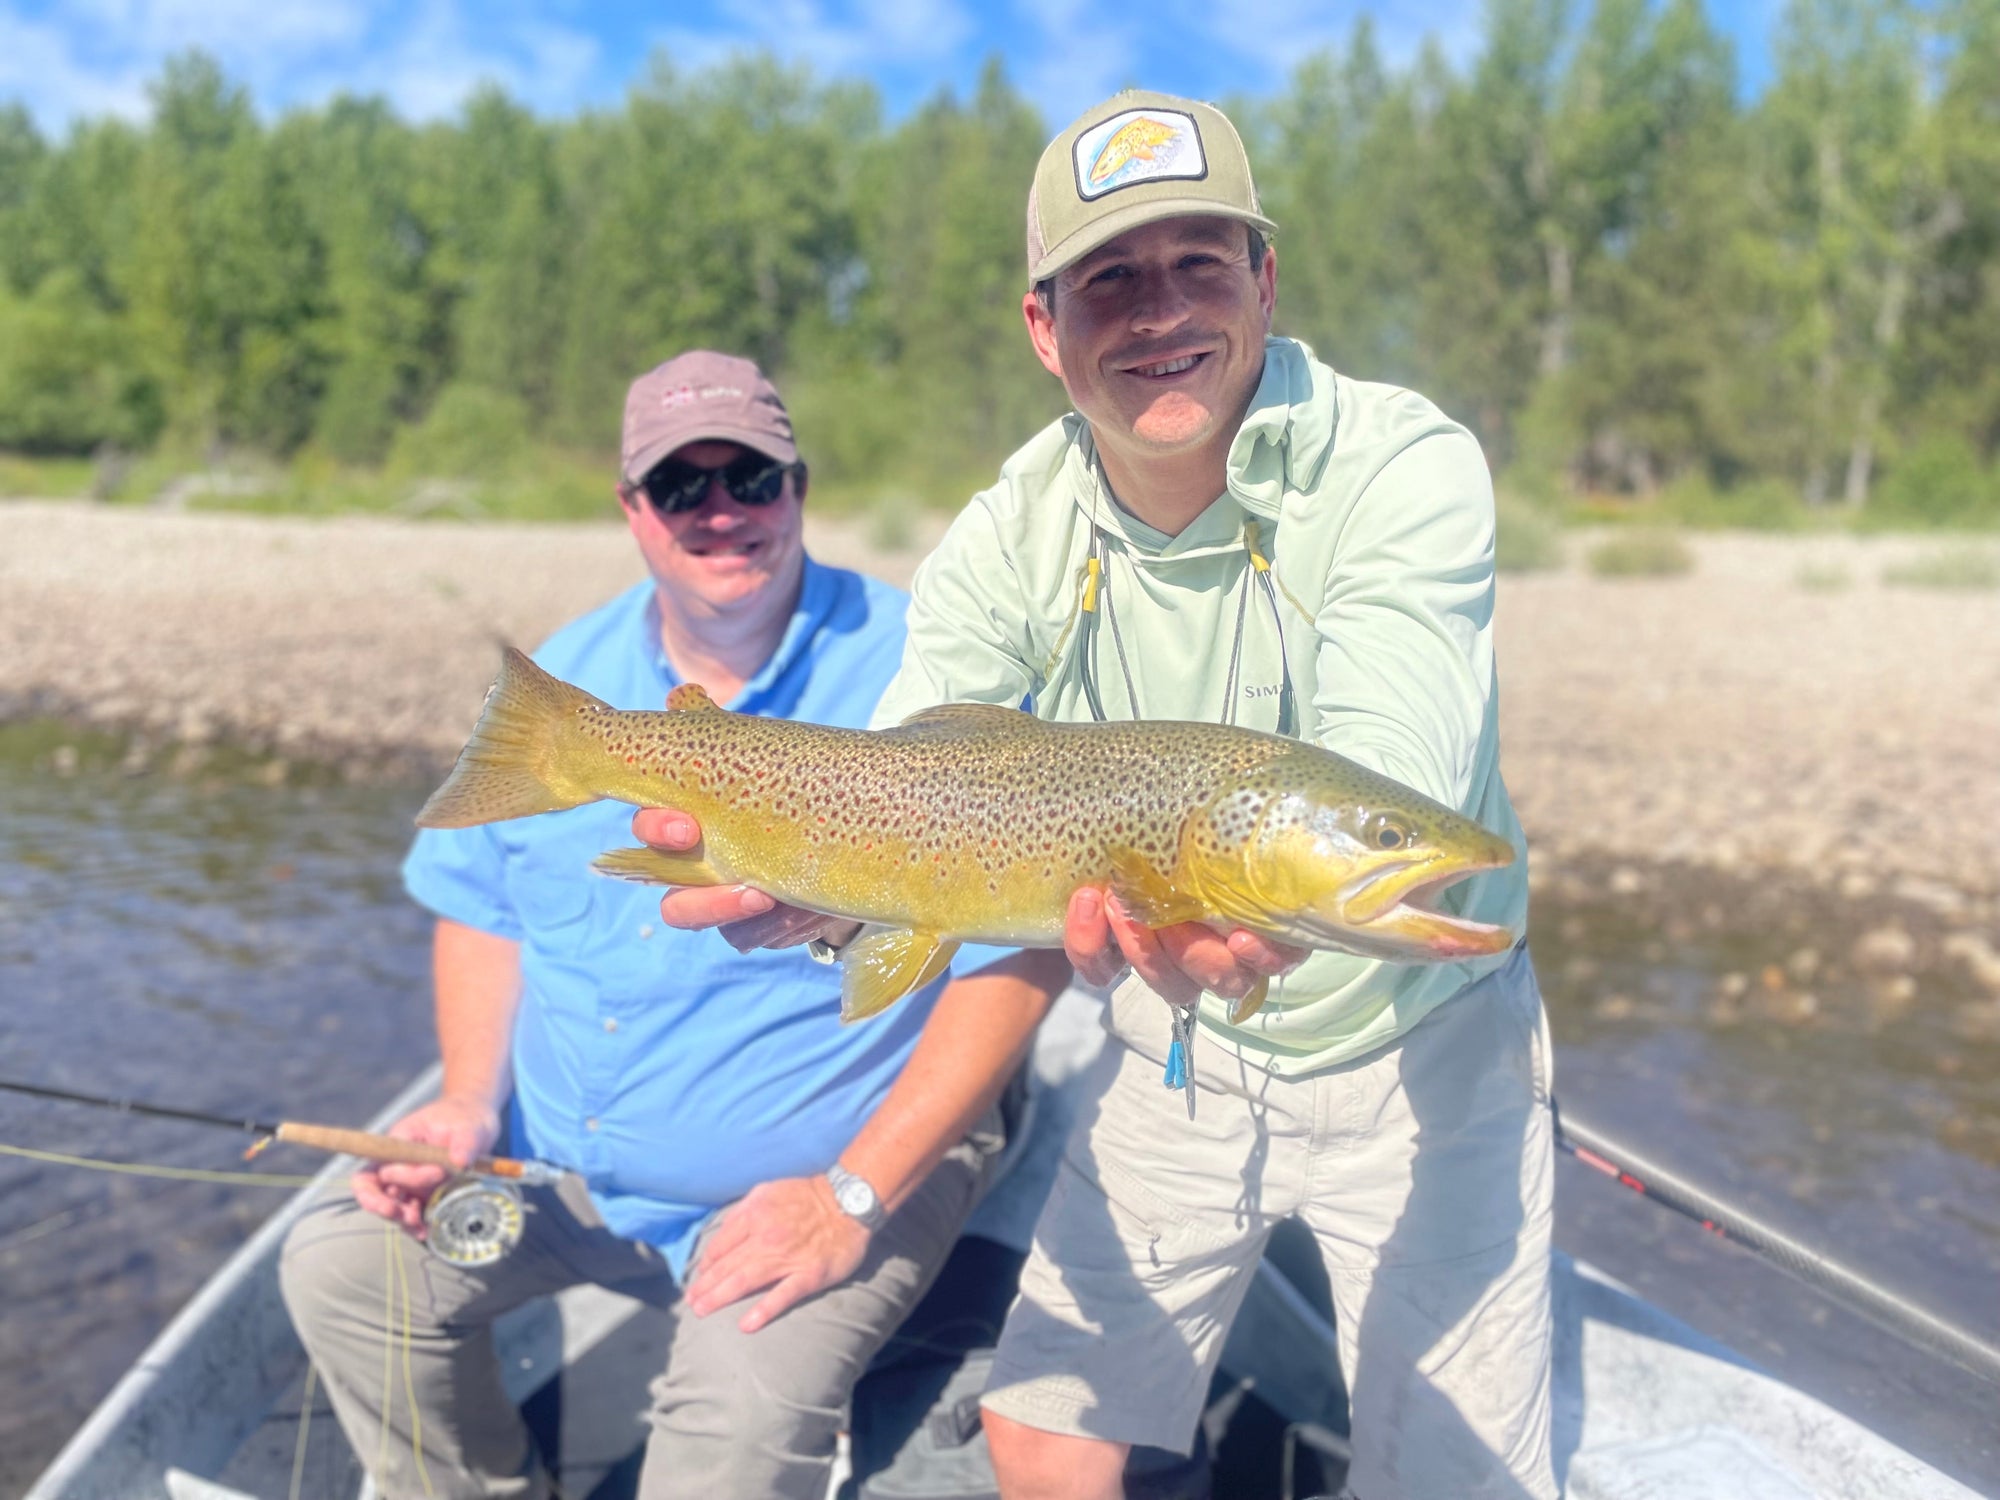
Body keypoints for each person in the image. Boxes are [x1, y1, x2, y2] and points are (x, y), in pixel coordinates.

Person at [638, 94, 1554, 1500]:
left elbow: (1396, 766)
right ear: (1042, 326)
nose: (1159, 309)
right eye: (1109, 276)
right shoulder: (1006, 534)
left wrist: (1316, 874)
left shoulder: (1399, 463)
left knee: (1452, 1483)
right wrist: (827, 899)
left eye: (1199, 261)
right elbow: (907, 787)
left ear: (1265, 280)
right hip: (1183, 1044)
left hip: (1430, 1047)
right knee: (1043, 1434)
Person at [279, 350, 1065, 1500]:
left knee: (728, 1450)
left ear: (798, 488)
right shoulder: (571, 682)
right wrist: (464, 1100)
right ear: (631, 508)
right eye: (680, 485)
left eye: (749, 477)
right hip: (552, 1171)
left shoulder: (930, 669)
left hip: (822, 1186)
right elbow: (481, 906)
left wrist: (847, 1197)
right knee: (341, 1271)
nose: (720, 510)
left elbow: (1017, 954)